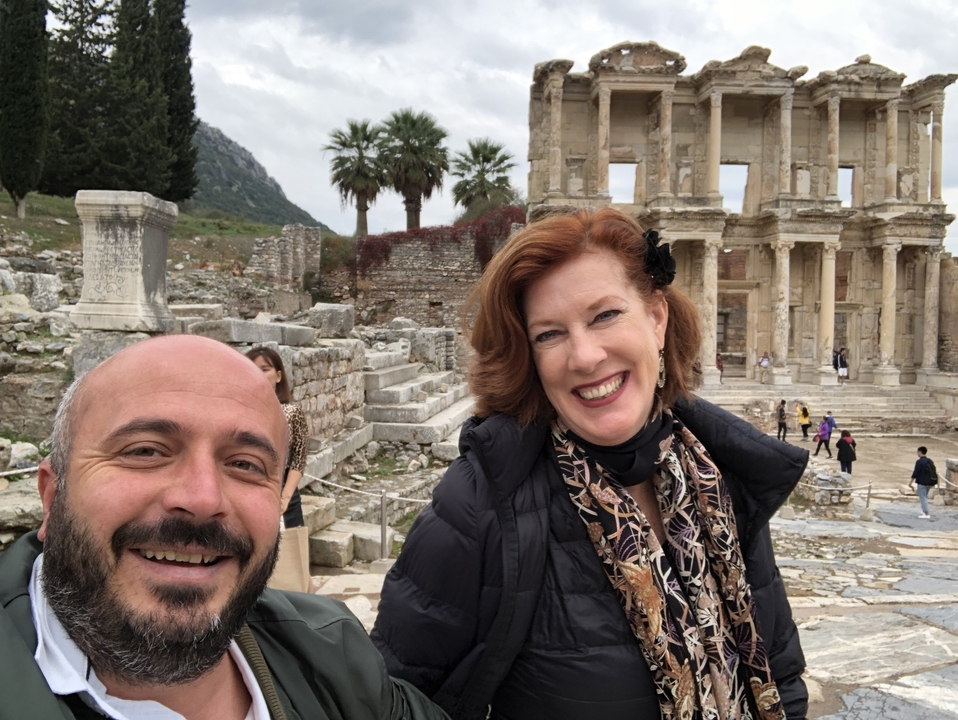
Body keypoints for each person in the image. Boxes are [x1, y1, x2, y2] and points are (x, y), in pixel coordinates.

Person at [372, 208, 809, 720]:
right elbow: (390, 697)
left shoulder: (717, 473)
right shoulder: (480, 500)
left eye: (605, 315)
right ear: (529, 358)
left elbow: (779, 670)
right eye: (549, 335)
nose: (584, 356)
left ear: (657, 318)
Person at [0, 335, 448, 720]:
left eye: (244, 464)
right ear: (51, 494)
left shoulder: (336, 653)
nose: (202, 499)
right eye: (146, 451)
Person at [246, 347, 308, 528]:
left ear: (278, 376)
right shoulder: (237, 413)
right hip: (248, 491)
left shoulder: (291, 414)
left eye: (264, 369)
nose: (258, 374)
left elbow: (299, 459)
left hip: (284, 494)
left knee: (291, 553)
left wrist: (285, 497)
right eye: (252, 369)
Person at [909, 446, 938, 519]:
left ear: (919, 452)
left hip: (922, 482)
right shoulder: (930, 461)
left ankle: (926, 513)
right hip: (929, 482)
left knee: (923, 497)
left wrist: (911, 482)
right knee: (925, 496)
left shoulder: (919, 462)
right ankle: (924, 510)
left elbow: (916, 472)